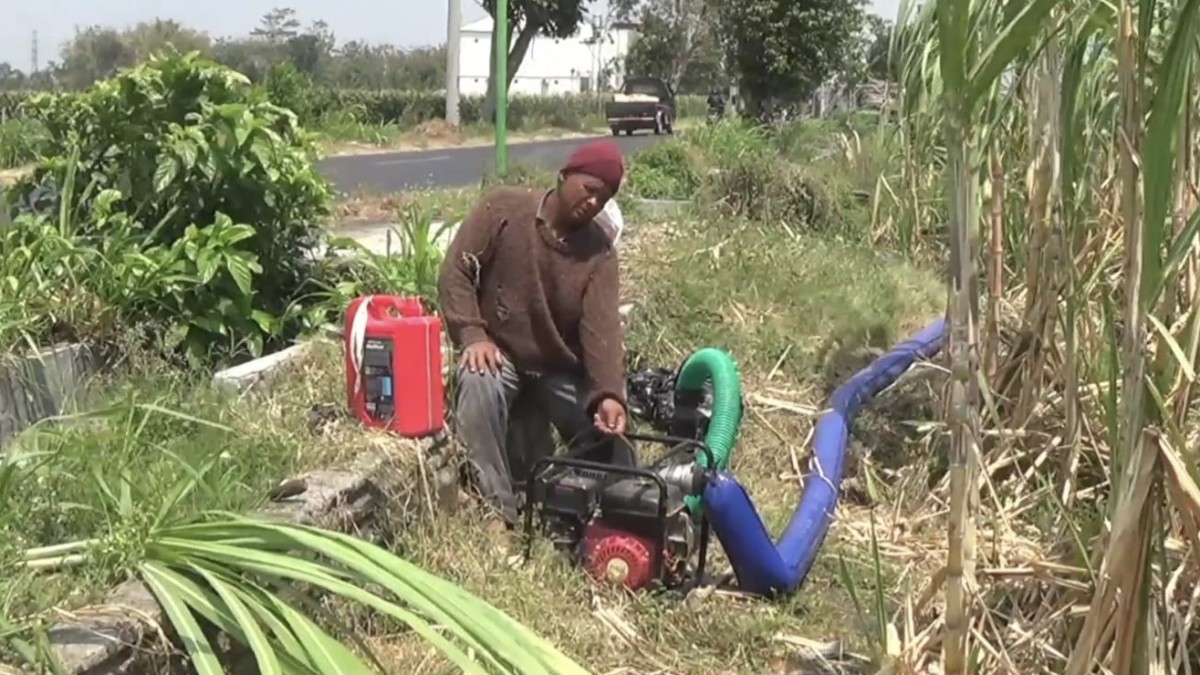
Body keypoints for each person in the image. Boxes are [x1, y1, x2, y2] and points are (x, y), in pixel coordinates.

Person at [438, 139, 631, 530]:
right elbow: (455, 271)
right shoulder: (503, 210)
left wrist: (609, 394)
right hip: (500, 353)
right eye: (589, 189)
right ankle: (497, 512)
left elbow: (602, 331)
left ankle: (607, 516)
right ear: (563, 177)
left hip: (558, 369)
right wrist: (472, 334)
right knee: (477, 383)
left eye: (604, 198)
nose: (593, 202)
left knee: (614, 439)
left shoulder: (599, 255)